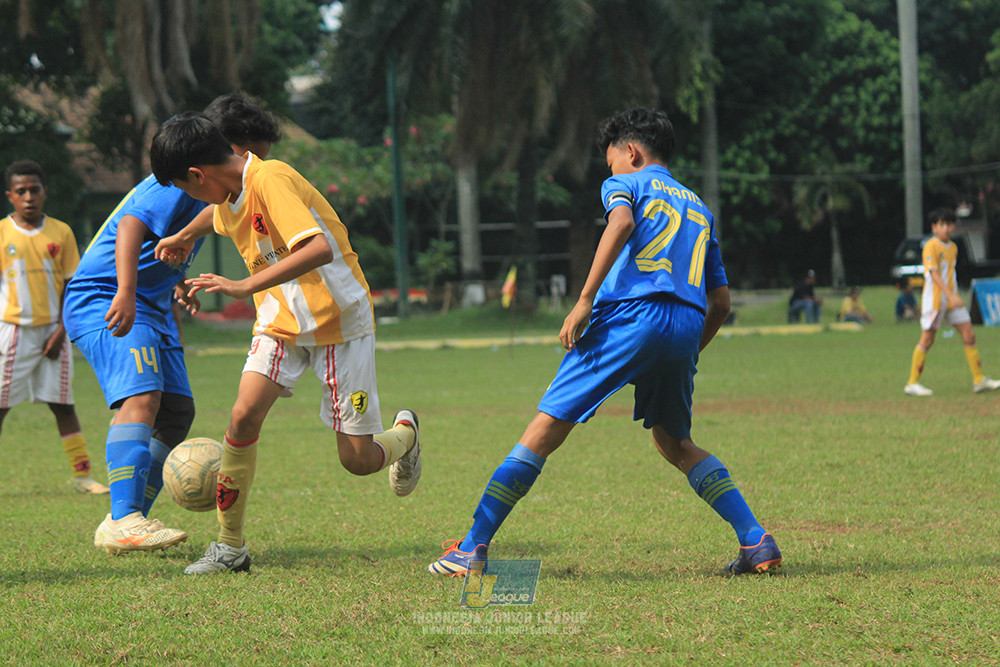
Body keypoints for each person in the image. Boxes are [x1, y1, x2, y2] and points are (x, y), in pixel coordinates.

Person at [426, 108, 781, 578]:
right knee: (674, 443)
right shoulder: (699, 207)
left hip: (631, 317)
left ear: (630, 152)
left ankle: (471, 549)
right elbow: (720, 302)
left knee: (544, 429)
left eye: (611, 161)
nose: (609, 170)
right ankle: (756, 540)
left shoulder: (627, 185)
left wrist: (585, 299)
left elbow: (620, 225)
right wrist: (688, 350)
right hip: (686, 324)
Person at [149, 112, 422, 576]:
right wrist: (182, 235)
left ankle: (407, 434)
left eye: (186, 187)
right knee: (242, 415)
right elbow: (217, 213)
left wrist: (240, 286)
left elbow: (316, 249)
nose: (190, 197)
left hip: (339, 322)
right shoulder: (230, 191)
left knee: (357, 461)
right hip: (279, 320)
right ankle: (230, 547)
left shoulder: (270, 178)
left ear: (198, 174)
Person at [63, 94, 283, 554]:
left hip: (153, 300)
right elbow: (129, 227)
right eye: (253, 155)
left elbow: (166, 243)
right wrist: (125, 291)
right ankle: (125, 517)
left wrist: (175, 280)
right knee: (143, 397)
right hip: (106, 295)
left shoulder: (212, 187)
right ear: (226, 149)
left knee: (177, 412)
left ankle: (127, 516)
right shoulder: (177, 180)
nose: (255, 167)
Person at [1, 160, 109, 495]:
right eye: (21, 191)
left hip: (54, 332)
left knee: (62, 405)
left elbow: (71, 287)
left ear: (44, 193)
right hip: (13, 331)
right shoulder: (2, 233)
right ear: (10, 196)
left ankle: (83, 477)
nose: (29, 196)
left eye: (34, 190)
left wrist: (62, 332)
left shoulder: (60, 232)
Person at [904, 207, 1000, 396]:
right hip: (936, 300)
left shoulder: (953, 247)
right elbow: (934, 274)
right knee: (927, 339)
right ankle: (912, 383)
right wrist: (951, 295)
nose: (946, 228)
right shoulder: (931, 245)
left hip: (952, 300)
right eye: (942, 224)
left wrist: (953, 295)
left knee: (969, 334)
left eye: (950, 224)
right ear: (934, 227)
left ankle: (979, 380)